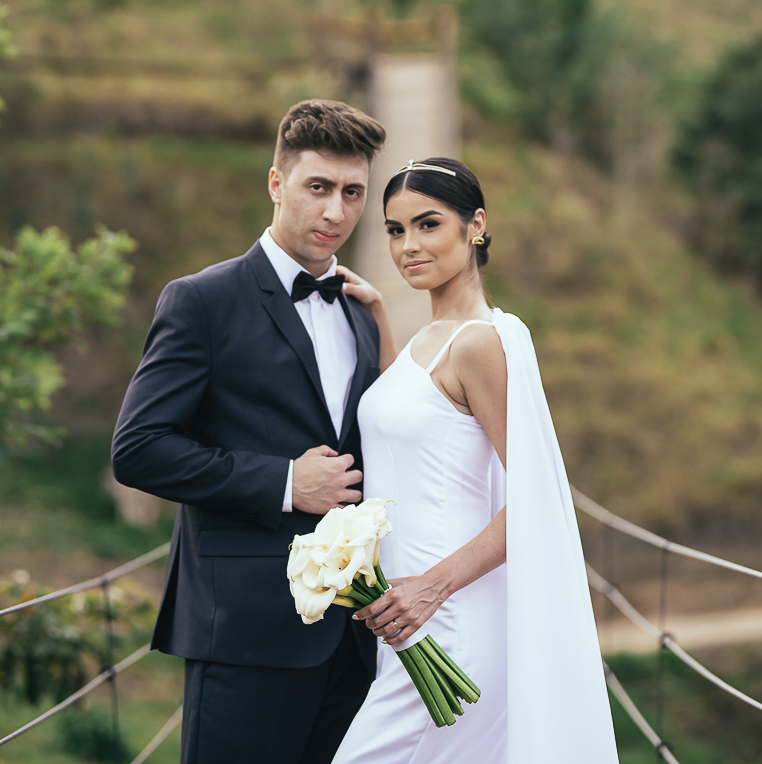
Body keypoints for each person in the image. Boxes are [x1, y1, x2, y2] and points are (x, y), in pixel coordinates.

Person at [111, 99, 395, 764]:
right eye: (317, 187)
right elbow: (139, 449)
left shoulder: (359, 313)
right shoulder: (202, 300)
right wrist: (286, 482)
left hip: (353, 636)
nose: (336, 212)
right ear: (276, 183)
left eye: (352, 193)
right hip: (244, 632)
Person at [331, 157, 619, 763]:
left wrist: (432, 589)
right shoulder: (428, 339)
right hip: (406, 628)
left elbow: (539, 501)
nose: (408, 246)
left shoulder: (479, 344)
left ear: (476, 226)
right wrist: (378, 318)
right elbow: (415, 425)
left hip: (448, 623)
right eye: (395, 230)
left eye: (428, 224)